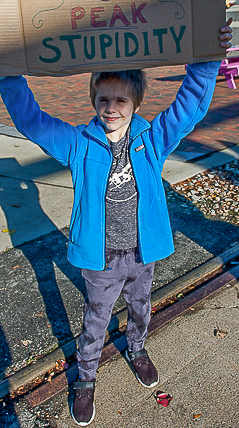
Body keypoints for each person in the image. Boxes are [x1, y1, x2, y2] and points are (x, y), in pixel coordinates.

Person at [0, 21, 232, 426]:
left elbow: (188, 110)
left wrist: (207, 61)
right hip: (101, 257)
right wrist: (8, 73)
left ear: (136, 103)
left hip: (142, 252)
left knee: (141, 309)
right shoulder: (78, 143)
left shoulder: (152, 139)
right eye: (103, 98)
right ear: (93, 100)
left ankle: (138, 349)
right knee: (96, 319)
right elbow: (33, 122)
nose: (111, 107)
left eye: (121, 100)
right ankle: (86, 378)